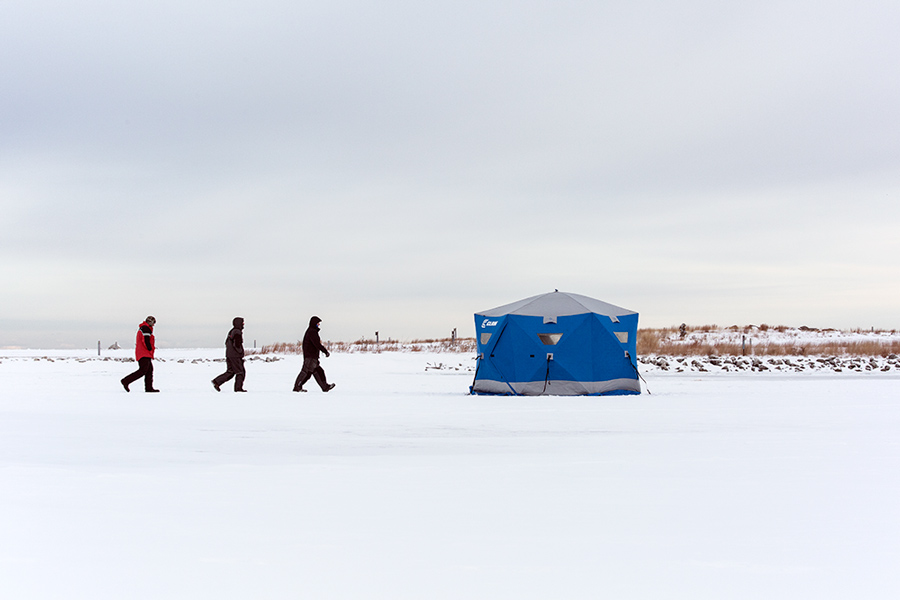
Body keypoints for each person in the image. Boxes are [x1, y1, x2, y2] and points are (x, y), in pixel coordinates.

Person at [293, 316, 335, 392]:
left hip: (312, 357)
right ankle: (297, 387)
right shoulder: (312, 332)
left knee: (318, 371)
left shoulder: (312, 331)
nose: (319, 324)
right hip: (310, 357)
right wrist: (325, 351)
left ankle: (325, 387)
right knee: (306, 372)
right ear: (314, 323)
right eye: (318, 323)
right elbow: (317, 344)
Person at [121, 316, 159, 392]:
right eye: (153, 322)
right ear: (150, 322)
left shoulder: (144, 328)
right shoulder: (145, 329)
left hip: (144, 353)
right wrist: (149, 348)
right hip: (144, 353)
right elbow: (146, 341)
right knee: (143, 371)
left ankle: (149, 388)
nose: (154, 325)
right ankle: (126, 381)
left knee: (149, 370)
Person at [212, 317, 247, 392]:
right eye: (242, 322)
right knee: (240, 372)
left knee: (231, 372)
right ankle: (238, 389)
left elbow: (227, 343)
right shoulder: (237, 332)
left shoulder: (231, 331)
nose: (243, 324)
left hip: (229, 355)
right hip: (235, 356)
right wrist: (240, 352)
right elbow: (237, 344)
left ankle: (217, 382)